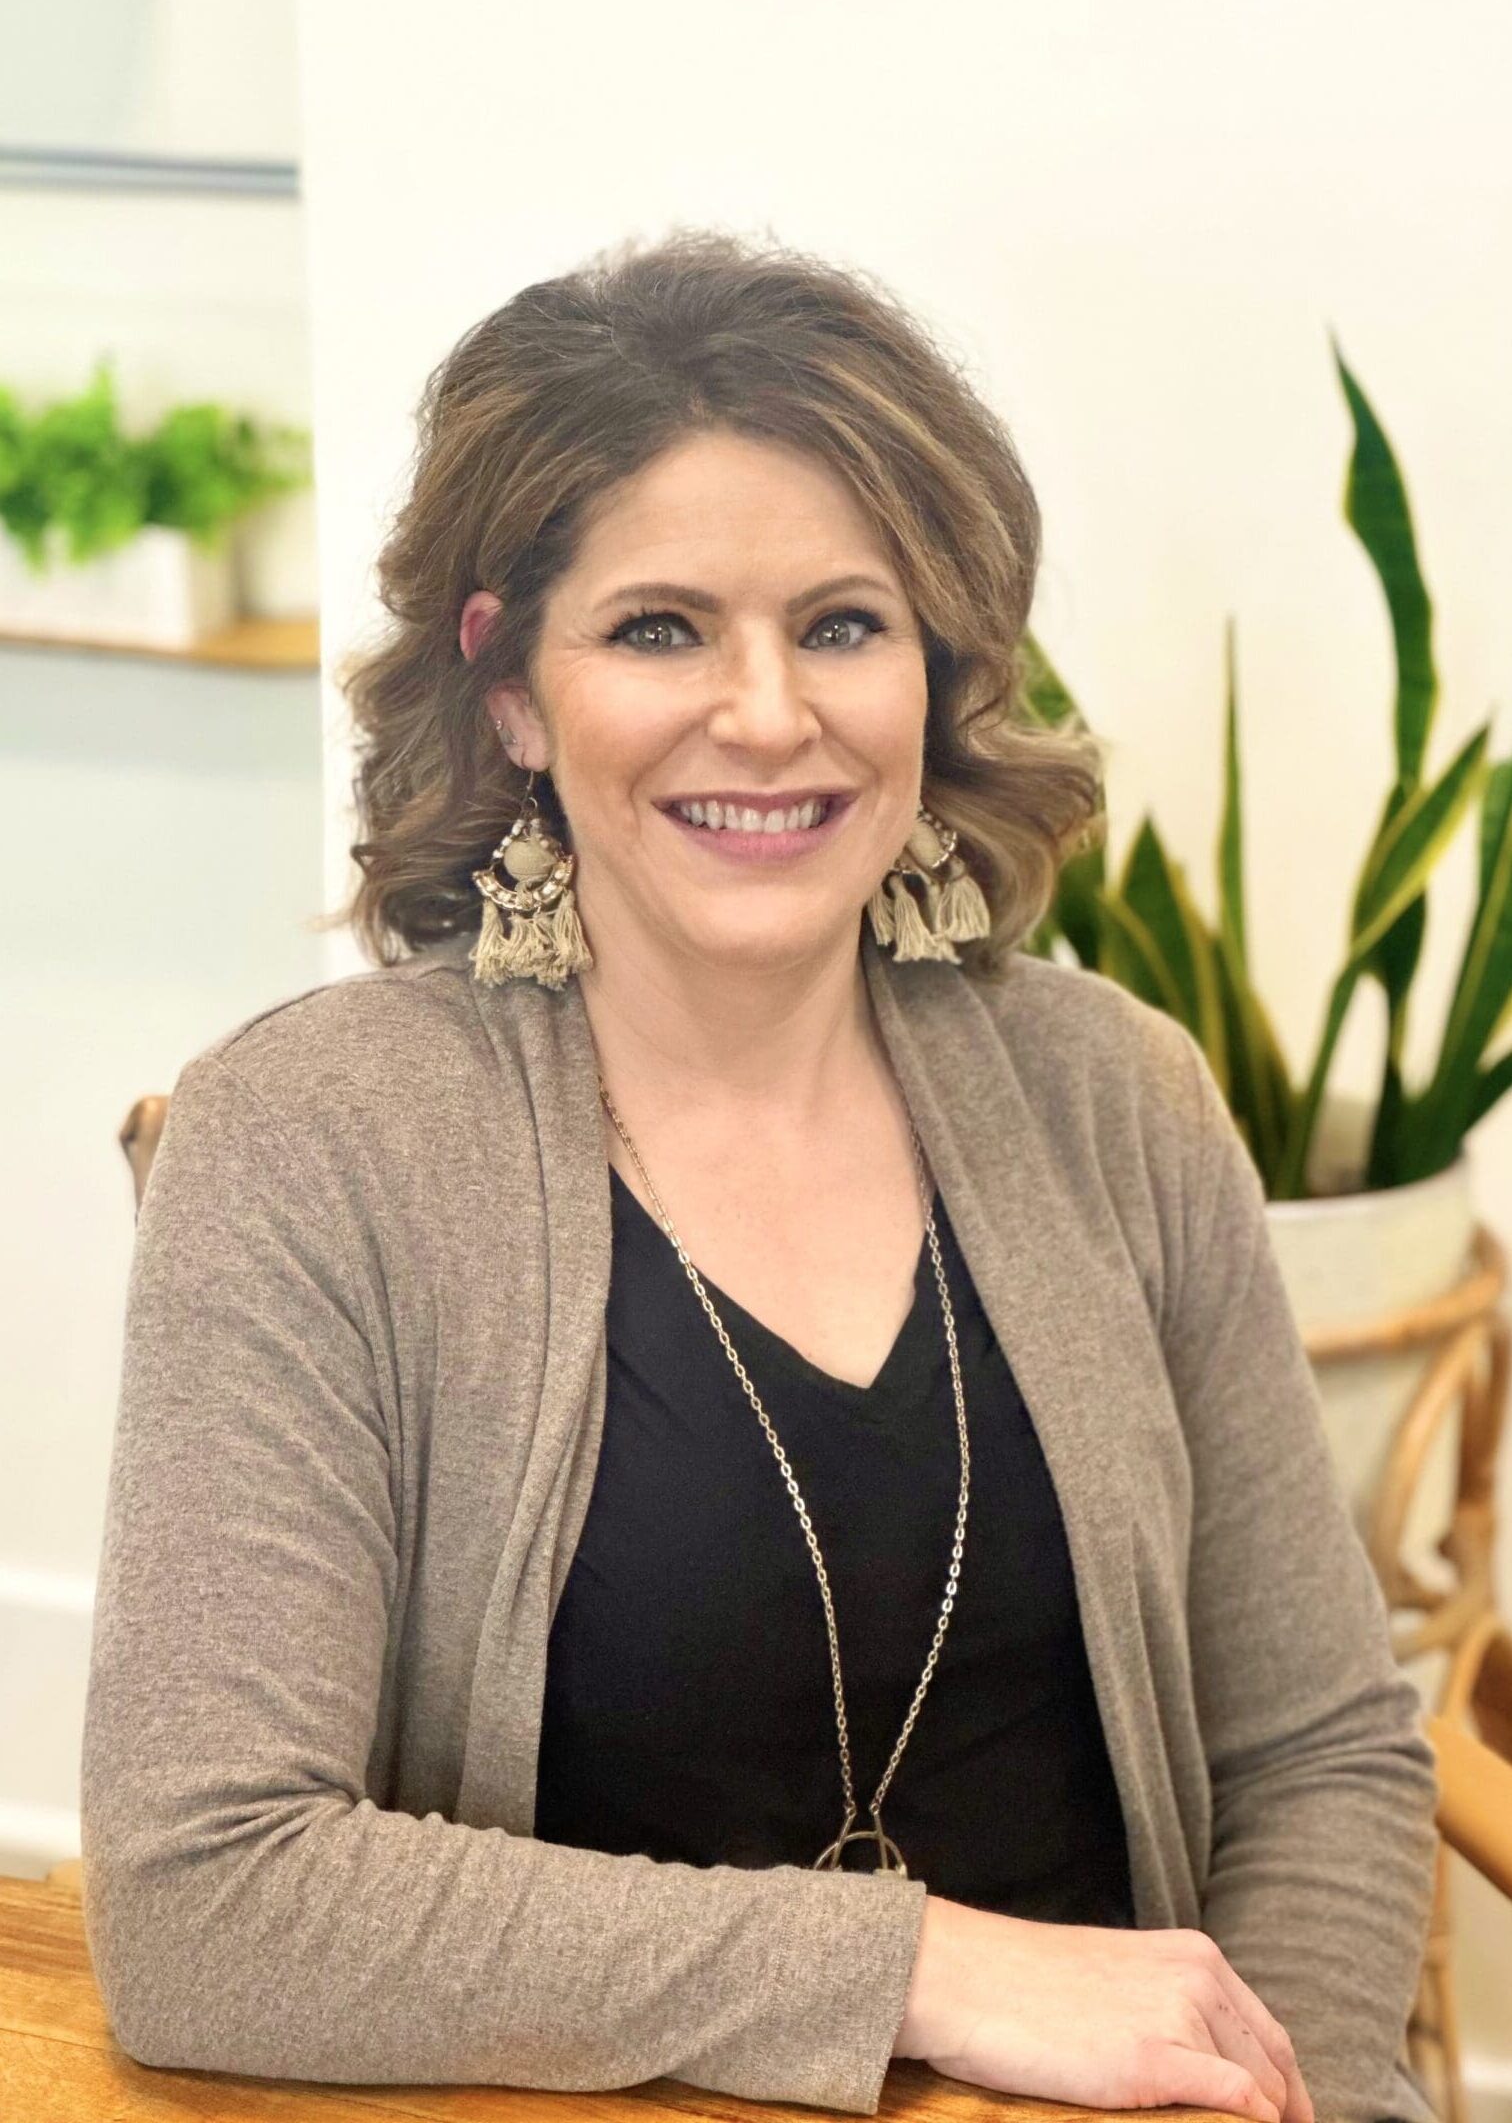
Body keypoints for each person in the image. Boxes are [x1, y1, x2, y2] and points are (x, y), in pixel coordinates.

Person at [80, 228, 1438, 2123]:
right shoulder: (312, 1146)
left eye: (842, 623)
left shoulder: (1118, 1098)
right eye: (660, 629)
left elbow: (1316, 1752)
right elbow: (208, 1894)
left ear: (935, 670)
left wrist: (1297, 2097)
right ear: (510, 691)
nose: (771, 714)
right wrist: (927, 1972)